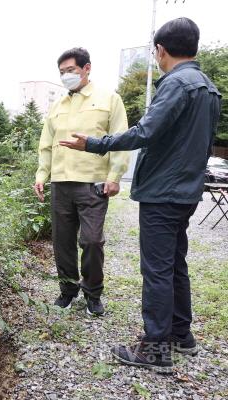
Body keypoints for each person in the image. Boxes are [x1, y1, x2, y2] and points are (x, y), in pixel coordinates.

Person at [59, 18, 222, 374]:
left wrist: (94, 144)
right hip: (186, 191)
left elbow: (145, 132)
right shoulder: (208, 88)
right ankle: (181, 335)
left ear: (161, 50)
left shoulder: (177, 83)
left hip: (164, 192)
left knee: (158, 269)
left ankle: (155, 348)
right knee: (175, 264)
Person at [34, 47, 130, 316]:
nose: (66, 76)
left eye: (71, 70)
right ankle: (67, 290)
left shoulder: (109, 99)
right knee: (62, 242)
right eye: (62, 72)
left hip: (93, 183)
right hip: (61, 183)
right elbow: (46, 144)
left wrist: (114, 176)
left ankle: (92, 293)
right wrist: (42, 175)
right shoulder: (57, 106)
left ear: (87, 68)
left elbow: (120, 141)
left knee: (91, 241)